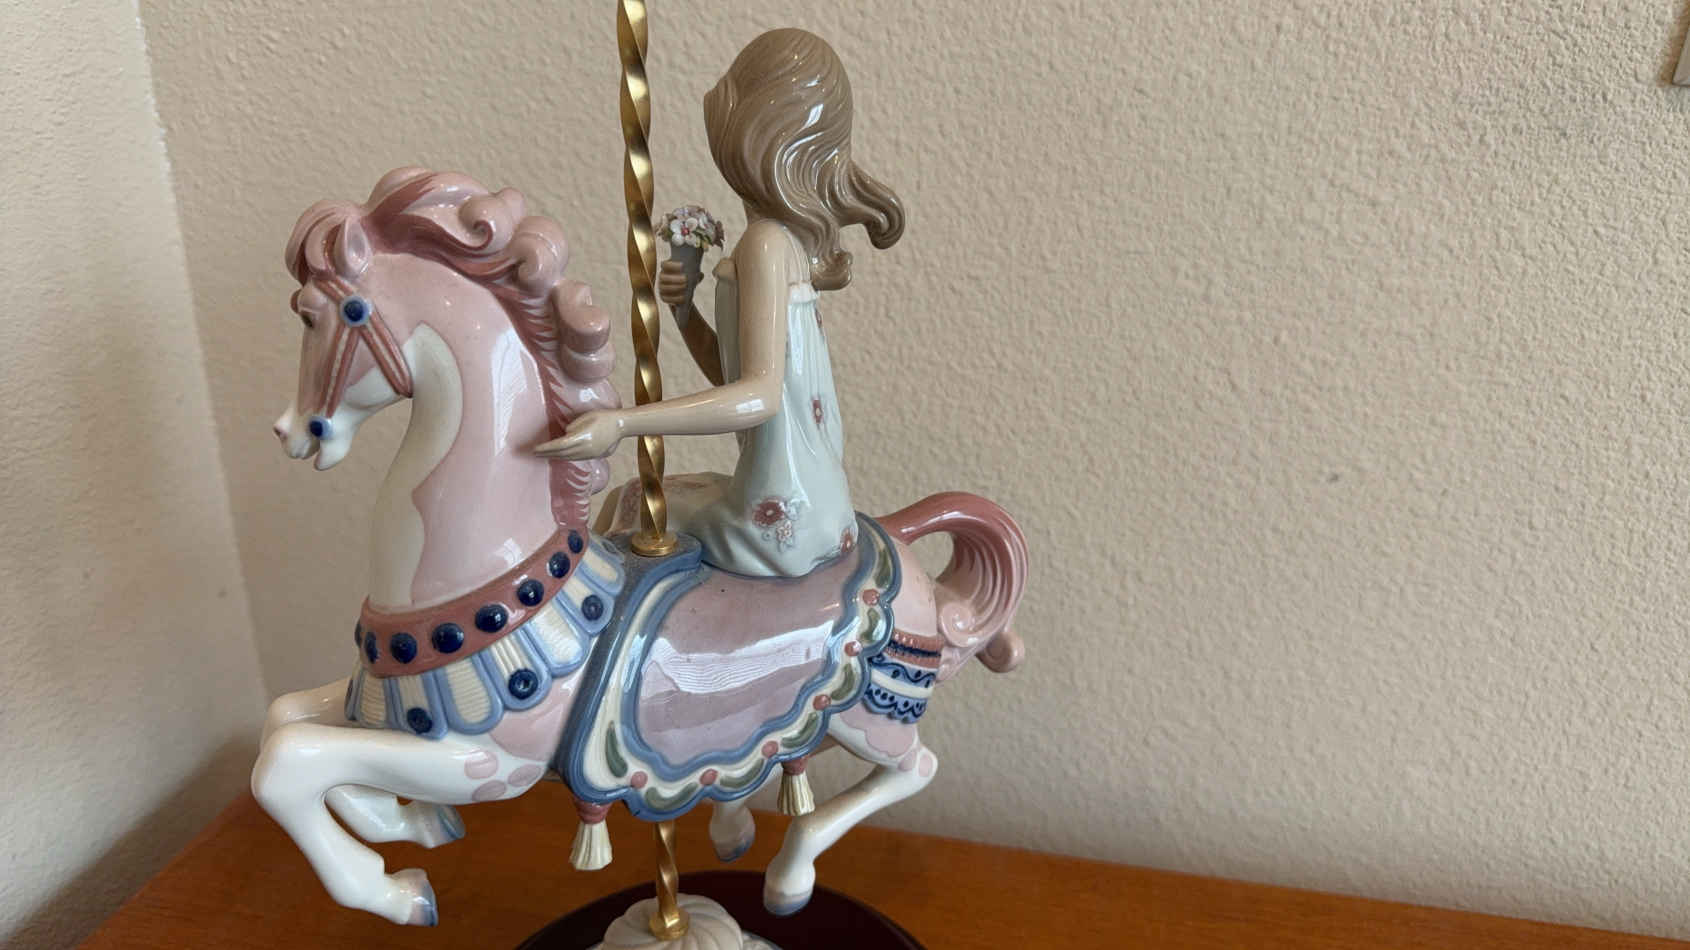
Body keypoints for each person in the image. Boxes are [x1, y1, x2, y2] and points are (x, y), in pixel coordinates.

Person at [538, 28, 903, 577]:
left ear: (755, 130)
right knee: (650, 494)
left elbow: (757, 397)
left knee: (629, 507)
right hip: (817, 502)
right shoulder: (781, 243)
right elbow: (736, 377)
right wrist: (685, 314)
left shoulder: (765, 245)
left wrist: (622, 423)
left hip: (781, 519)